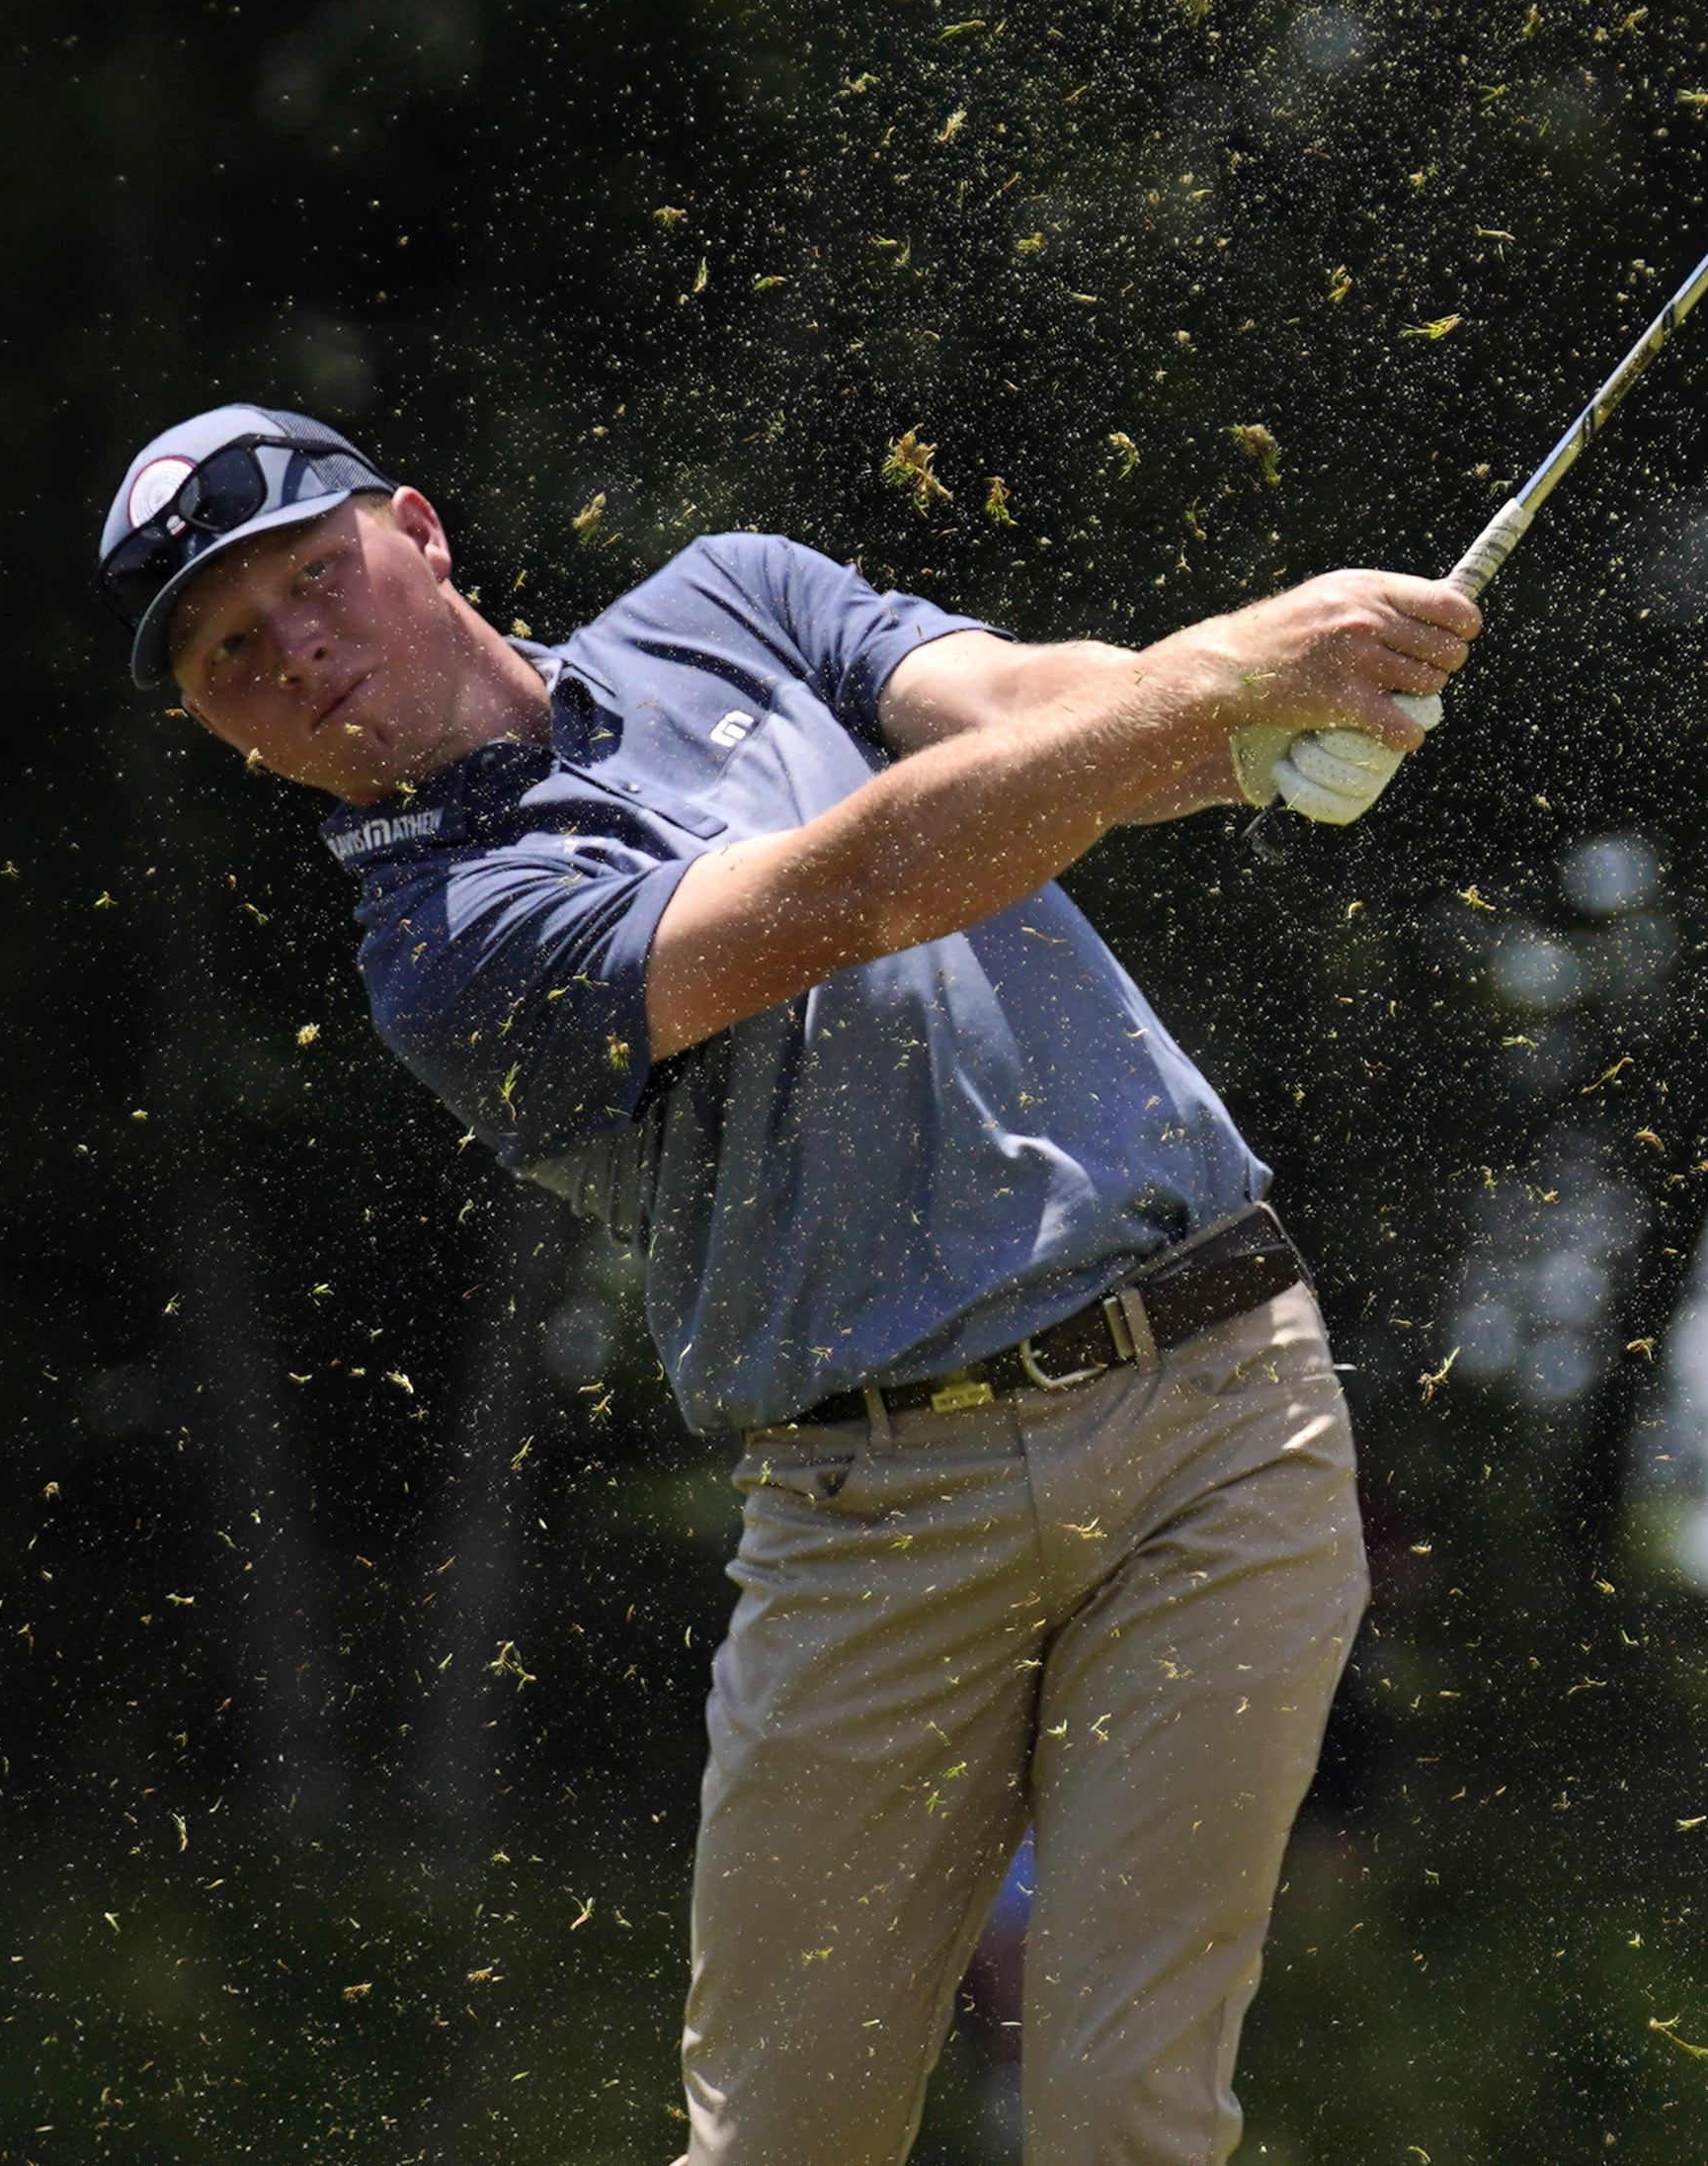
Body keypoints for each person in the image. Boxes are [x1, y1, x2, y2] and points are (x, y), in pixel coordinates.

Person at [96, 402, 1479, 2165]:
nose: (298, 647)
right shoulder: (442, 944)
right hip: (872, 1514)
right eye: (231, 650)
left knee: (1130, 2109)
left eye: (312, 574)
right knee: (783, 2139)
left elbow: (1031, 709)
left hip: (1220, 1403)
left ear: (420, 533)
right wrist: (1221, 688)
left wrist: (1283, 715)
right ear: (214, 724)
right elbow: (854, 888)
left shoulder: (726, 598)